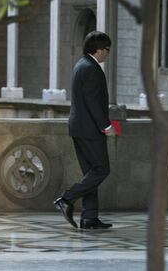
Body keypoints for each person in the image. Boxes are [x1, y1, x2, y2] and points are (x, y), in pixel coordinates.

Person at [54, 31, 116, 229]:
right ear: (98, 50)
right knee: (101, 169)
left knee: (91, 172)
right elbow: (93, 103)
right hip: (89, 130)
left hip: (80, 128)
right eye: (107, 50)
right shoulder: (91, 68)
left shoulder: (81, 64)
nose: (108, 54)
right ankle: (66, 199)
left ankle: (89, 218)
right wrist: (106, 126)